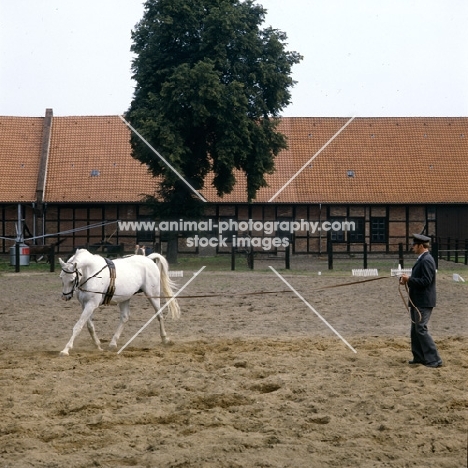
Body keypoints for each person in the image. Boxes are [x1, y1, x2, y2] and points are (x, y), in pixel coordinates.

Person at [399, 234, 443, 368]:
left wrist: (409, 280)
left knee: (421, 329)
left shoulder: (426, 260)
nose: (412, 247)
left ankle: (434, 359)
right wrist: (408, 280)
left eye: (414, 245)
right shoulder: (422, 259)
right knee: (415, 329)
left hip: (423, 301)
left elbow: (426, 281)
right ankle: (419, 357)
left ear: (421, 246)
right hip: (417, 301)